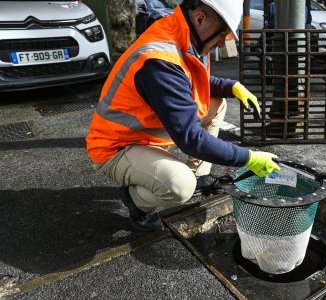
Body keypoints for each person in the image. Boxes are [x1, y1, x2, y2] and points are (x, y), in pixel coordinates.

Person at [86, 0, 280, 232]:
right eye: (223, 34)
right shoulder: (160, 61)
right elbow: (191, 139)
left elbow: (188, 80)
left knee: (216, 104)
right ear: (200, 19)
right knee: (180, 186)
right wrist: (249, 158)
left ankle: (198, 176)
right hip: (117, 147)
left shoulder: (184, 35)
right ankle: (137, 202)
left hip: (145, 135)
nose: (221, 44)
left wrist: (231, 86)